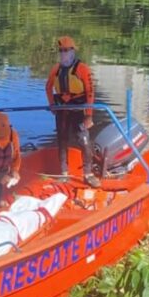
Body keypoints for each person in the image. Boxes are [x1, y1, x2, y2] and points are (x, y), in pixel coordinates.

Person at [45, 36, 99, 187]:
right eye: (61, 50)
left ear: (73, 51)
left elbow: (90, 92)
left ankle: (88, 174)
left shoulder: (82, 68)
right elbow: (48, 87)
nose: (63, 53)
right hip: (62, 108)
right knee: (62, 139)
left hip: (79, 109)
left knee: (83, 139)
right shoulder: (56, 69)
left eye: (66, 50)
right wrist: (52, 105)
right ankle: (64, 173)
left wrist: (89, 115)